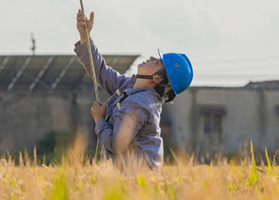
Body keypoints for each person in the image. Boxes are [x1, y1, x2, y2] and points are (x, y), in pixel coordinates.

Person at [74, 9, 193, 167]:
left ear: (157, 78)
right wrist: (85, 36)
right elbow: (101, 72)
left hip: (136, 182)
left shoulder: (139, 105)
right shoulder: (131, 85)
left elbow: (116, 144)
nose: (150, 58)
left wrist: (99, 119)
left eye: (156, 62)